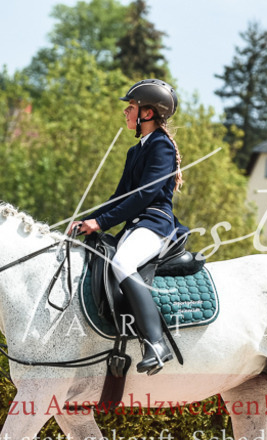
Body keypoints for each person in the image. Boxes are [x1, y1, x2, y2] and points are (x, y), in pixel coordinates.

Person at [70, 78, 188, 375]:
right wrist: (87, 220)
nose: (126, 113)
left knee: (123, 262)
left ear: (147, 113)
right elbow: (120, 197)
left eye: (130, 107)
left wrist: (102, 222)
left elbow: (145, 195)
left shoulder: (161, 145)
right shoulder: (135, 151)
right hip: (135, 225)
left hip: (155, 223)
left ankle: (156, 343)